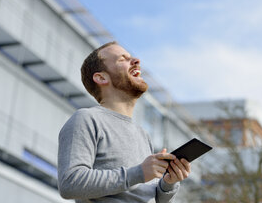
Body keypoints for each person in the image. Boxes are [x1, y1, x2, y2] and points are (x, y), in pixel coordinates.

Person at [57, 41, 191, 202]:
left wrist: (168, 184)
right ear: (101, 77)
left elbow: (143, 195)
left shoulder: (143, 134)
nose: (136, 61)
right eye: (123, 59)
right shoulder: (86, 119)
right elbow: (70, 183)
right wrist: (140, 172)